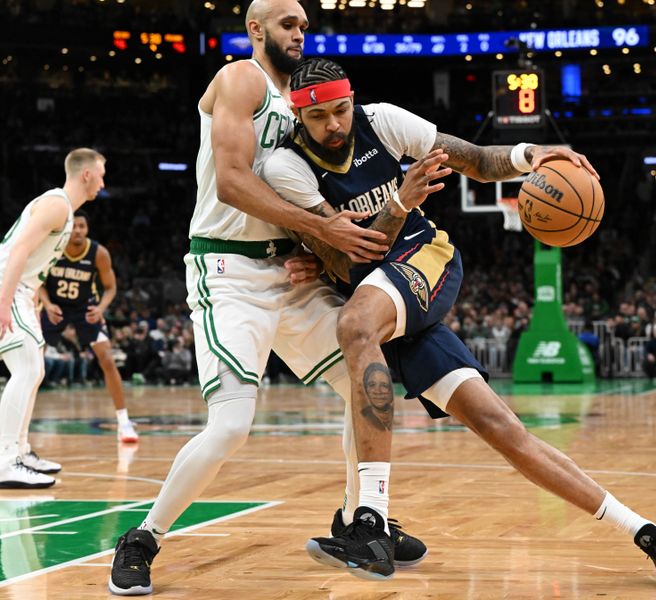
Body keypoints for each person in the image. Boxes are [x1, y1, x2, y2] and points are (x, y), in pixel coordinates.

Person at [262, 57, 656, 590]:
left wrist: (530, 154)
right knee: (503, 429)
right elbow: (344, 262)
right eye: (321, 118)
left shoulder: (381, 122)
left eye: (341, 110)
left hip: (424, 260)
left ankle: (369, 523)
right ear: (298, 115)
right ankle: (649, 534)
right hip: (377, 292)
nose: (335, 125)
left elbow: (472, 158)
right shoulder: (285, 167)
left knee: (354, 324)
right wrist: (400, 200)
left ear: (351, 100)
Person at [107, 0, 392, 594]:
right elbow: (234, 181)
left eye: (304, 25)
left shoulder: (302, 107)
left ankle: (352, 521)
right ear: (256, 29)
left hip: (288, 275)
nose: (300, 33)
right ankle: (143, 537)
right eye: (288, 23)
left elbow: (304, 195)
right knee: (232, 424)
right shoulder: (241, 78)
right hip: (228, 273)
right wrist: (320, 229)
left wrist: (315, 243)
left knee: (364, 382)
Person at [0, 147, 106, 488]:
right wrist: (4, 304)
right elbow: (18, 251)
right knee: (27, 368)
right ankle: (4, 461)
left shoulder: (64, 210)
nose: (103, 183)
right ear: (86, 174)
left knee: (36, 369)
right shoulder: (57, 204)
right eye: (101, 174)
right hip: (5, 284)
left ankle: (20, 451)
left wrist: (34, 296)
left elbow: (36, 262)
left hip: (20, 289)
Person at [39, 209, 139, 442]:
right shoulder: (52, 247)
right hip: (56, 308)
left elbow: (111, 287)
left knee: (107, 360)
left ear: (87, 228)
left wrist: (101, 309)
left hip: (86, 308)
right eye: (73, 225)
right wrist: (46, 304)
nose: (77, 230)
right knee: (34, 364)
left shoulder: (99, 253)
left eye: (82, 226)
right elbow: (39, 281)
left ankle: (123, 422)